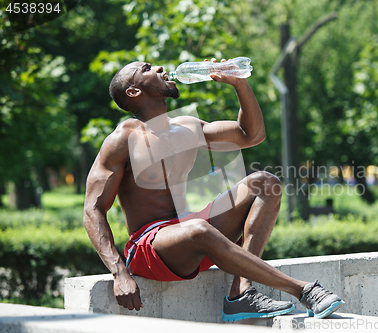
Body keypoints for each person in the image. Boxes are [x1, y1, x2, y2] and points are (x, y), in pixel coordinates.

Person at [83, 58, 345, 322]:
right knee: (198, 228)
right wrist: (119, 273)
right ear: (134, 92)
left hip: (190, 231)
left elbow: (250, 135)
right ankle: (302, 290)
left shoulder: (185, 126)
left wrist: (239, 84)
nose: (160, 68)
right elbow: (93, 209)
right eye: (147, 68)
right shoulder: (122, 138)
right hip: (150, 247)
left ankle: (241, 292)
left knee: (265, 182)